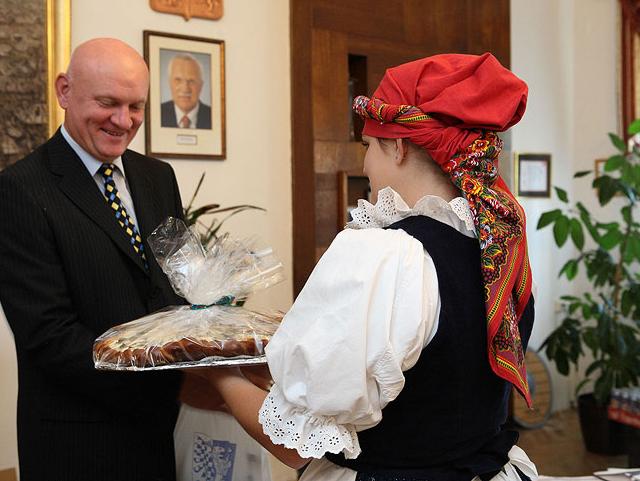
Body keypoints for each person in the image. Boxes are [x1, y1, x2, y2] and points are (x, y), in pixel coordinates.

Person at [189, 53, 538, 480]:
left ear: (400, 145)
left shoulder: (387, 256)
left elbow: (294, 443)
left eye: (369, 146)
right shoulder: (498, 248)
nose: (365, 164)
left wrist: (218, 377)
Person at [0, 38, 186, 481]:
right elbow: (50, 336)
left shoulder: (158, 177)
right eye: (108, 103)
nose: (123, 121)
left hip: (159, 435)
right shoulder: (17, 191)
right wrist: (170, 387)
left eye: (136, 107)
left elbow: (179, 283)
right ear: (64, 91)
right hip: (78, 444)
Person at [160, 52, 212, 129]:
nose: (185, 89)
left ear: (201, 86)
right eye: (178, 80)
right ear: (170, 83)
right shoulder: (158, 113)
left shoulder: (213, 116)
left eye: (191, 81)